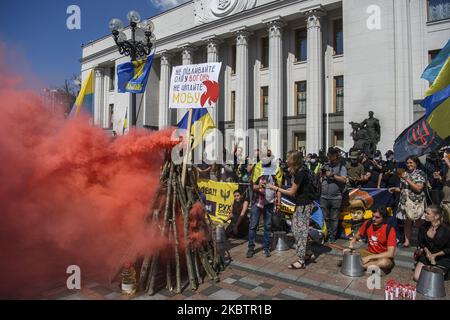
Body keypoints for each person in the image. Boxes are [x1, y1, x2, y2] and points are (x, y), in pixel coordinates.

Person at [268, 151, 316, 269]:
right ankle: (308, 252)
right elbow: (297, 189)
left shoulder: (301, 173)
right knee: (296, 229)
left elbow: (291, 192)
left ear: (294, 160)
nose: (286, 160)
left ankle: (301, 260)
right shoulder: (301, 170)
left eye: (288, 158)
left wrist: (276, 188)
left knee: (300, 231)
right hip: (301, 203)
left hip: (304, 205)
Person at [389, 156, 426, 248]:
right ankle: (407, 242)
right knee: (407, 222)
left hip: (416, 202)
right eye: (407, 163)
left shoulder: (420, 174)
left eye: (411, 162)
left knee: (418, 223)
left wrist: (407, 179)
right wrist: (395, 189)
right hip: (405, 202)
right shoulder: (404, 173)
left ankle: (421, 242)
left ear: (416, 163)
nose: (409, 164)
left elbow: (418, 188)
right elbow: (404, 189)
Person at [347, 206, 396, 272]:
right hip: (369, 253)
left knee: (385, 262)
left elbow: (390, 253)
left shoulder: (390, 230)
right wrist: (353, 240)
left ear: (384, 219)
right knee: (347, 252)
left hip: (381, 256)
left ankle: (359, 265)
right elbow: (358, 235)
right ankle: (364, 265)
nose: (373, 219)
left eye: (377, 217)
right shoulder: (368, 223)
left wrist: (369, 257)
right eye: (373, 216)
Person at [247, 158, 279, 258]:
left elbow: (278, 188)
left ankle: (266, 248)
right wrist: (259, 186)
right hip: (258, 202)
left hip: (269, 203)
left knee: (268, 226)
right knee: (253, 225)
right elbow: (252, 187)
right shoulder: (258, 172)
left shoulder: (274, 175)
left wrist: (278, 202)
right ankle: (251, 248)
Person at [414, 205, 450, 281]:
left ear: (436, 216)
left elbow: (448, 249)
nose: (425, 215)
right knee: (417, 277)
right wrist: (427, 252)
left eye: (428, 213)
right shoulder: (424, 226)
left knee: (434, 279)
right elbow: (421, 242)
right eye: (425, 213)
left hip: (442, 257)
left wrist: (434, 255)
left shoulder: (446, 229)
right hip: (427, 255)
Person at [320, 147, 348, 243]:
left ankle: (332, 236)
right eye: (329, 155)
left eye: (332, 155)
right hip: (324, 196)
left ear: (337, 156)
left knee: (334, 218)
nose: (330, 157)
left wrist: (332, 175)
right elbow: (320, 177)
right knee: (325, 217)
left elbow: (344, 180)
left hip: (336, 197)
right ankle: (326, 234)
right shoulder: (325, 165)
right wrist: (321, 174)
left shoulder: (341, 167)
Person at [441, 148, 450, 224]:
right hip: (445, 199)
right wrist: (440, 178)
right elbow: (446, 182)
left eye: (447, 152)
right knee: (445, 223)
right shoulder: (446, 167)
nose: (445, 154)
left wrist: (448, 163)